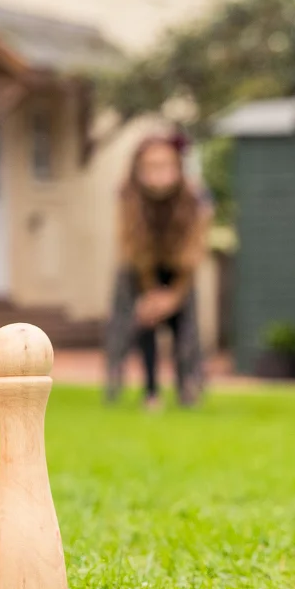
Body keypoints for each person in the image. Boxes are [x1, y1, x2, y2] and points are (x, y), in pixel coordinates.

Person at [105, 129, 212, 408]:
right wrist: (151, 295)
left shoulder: (195, 198)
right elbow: (133, 248)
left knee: (185, 326)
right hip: (139, 271)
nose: (158, 173)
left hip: (179, 271)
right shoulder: (128, 198)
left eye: (165, 165)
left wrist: (173, 296)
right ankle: (145, 389)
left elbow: (194, 250)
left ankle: (189, 386)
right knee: (139, 320)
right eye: (150, 167)